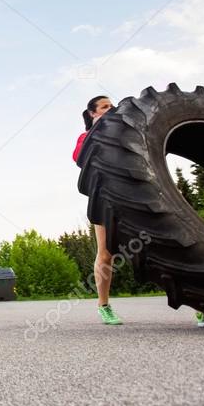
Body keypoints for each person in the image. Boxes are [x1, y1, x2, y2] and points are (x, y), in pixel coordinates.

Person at [74, 95, 122, 326]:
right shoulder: (85, 137)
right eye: (105, 107)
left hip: (134, 195)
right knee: (106, 253)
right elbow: (78, 158)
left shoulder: (124, 133)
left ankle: (200, 307)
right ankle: (104, 306)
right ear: (93, 113)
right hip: (103, 197)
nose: (110, 109)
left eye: (112, 106)